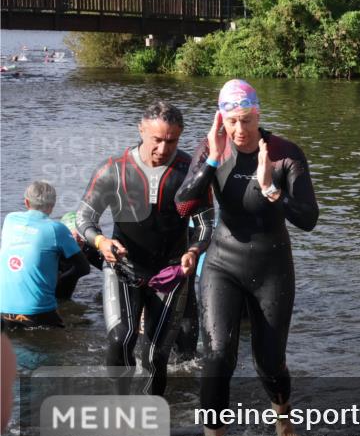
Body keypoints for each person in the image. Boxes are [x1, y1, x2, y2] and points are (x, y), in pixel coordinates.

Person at [177, 79, 317, 436]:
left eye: (248, 119)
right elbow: (183, 206)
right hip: (222, 263)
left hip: (272, 265)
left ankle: (282, 415)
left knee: (269, 362)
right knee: (217, 356)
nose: (240, 130)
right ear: (222, 118)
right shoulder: (213, 148)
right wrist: (209, 162)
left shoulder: (285, 154)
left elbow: (309, 219)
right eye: (232, 121)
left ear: (258, 114)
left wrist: (272, 191)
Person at [77, 101, 213, 396]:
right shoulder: (113, 170)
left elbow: (205, 225)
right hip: (123, 269)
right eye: (157, 140)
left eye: (171, 141)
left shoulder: (191, 173)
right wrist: (101, 241)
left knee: (155, 356)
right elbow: (84, 217)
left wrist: (194, 252)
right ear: (141, 130)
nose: (163, 149)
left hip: (171, 273)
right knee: (120, 338)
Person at [0, 182, 91, 329]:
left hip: (3, 311)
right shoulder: (56, 229)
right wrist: (58, 282)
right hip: (38, 314)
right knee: (82, 328)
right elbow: (84, 268)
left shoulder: (9, 219)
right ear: (52, 205)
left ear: (26, 202)